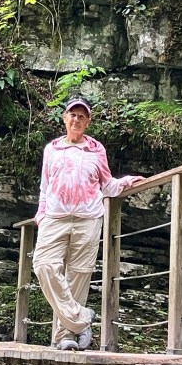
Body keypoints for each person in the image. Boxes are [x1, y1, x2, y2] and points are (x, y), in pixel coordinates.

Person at [33, 98, 146, 351]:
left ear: (88, 122)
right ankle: (82, 319)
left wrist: (126, 182)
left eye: (82, 116)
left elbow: (107, 185)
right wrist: (41, 214)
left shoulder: (96, 149)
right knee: (43, 265)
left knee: (78, 276)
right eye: (72, 114)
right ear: (64, 118)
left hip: (88, 219)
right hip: (55, 217)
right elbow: (44, 187)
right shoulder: (52, 149)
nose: (76, 119)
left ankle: (65, 336)